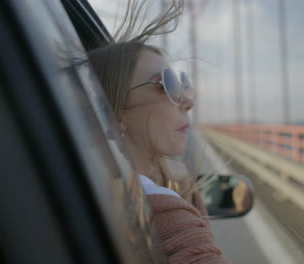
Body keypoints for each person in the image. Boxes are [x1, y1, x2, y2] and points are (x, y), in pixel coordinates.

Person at [88, 1, 228, 263]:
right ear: (114, 112)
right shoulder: (156, 209)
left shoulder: (93, 187)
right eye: (167, 83)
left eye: (183, 83)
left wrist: (182, 185)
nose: (188, 100)